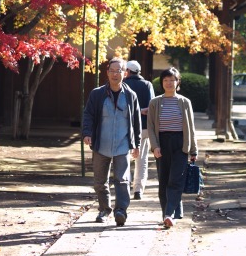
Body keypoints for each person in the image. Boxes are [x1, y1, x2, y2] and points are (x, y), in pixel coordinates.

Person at [82, 57, 141, 226]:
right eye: (112, 71)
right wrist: (87, 133)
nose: (116, 74)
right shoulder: (97, 93)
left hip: (122, 144)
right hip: (101, 143)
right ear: (107, 73)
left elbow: (136, 121)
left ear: (126, 73)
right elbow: (88, 115)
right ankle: (104, 210)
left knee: (122, 180)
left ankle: (121, 210)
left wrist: (136, 143)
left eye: (119, 71)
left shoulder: (131, 96)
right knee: (100, 181)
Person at [147, 67, 197, 229]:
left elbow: (191, 127)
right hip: (162, 143)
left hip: (180, 144)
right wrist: (155, 147)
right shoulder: (155, 102)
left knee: (176, 180)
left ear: (177, 82)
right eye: (166, 80)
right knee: (164, 181)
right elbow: (151, 127)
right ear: (162, 83)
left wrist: (193, 150)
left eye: (172, 80)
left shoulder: (184, 102)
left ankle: (169, 214)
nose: (169, 83)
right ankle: (167, 214)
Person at [123, 60, 155, 200]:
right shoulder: (147, 85)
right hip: (144, 128)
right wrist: (141, 111)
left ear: (128, 71)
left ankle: (125, 186)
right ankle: (138, 190)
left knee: (124, 158)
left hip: (125, 127)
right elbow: (152, 107)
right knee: (142, 160)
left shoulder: (123, 85)